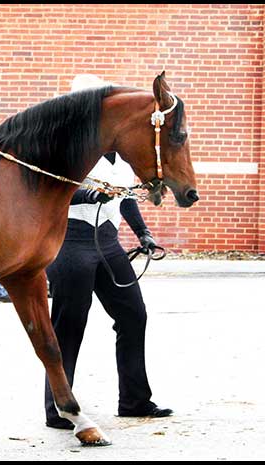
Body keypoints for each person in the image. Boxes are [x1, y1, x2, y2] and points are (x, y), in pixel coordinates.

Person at [43, 75, 172, 430]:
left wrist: (143, 233)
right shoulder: (65, 142)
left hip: (108, 242)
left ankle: (134, 400)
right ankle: (58, 408)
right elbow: (54, 189)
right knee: (69, 326)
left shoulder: (120, 148)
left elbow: (125, 195)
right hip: (70, 241)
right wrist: (89, 195)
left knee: (134, 315)